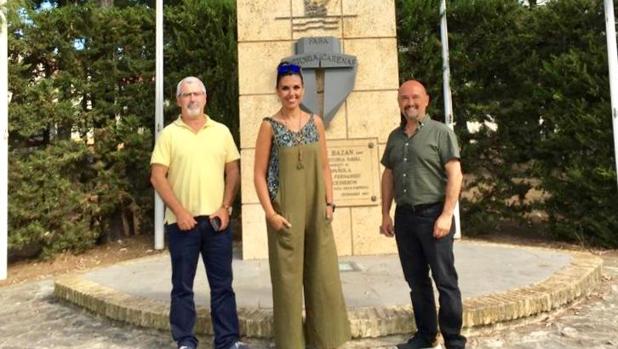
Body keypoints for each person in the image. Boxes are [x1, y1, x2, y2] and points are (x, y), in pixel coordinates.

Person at [253, 62, 351, 349]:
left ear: (303, 89)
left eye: (296, 87)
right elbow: (258, 174)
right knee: (287, 284)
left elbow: (324, 167)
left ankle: (325, 340)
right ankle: (291, 343)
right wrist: (270, 214)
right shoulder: (268, 126)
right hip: (284, 214)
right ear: (277, 91)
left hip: (316, 211)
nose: (291, 93)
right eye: (285, 88)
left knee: (323, 279)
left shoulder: (315, 123)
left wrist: (330, 205)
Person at [150, 76, 250, 349]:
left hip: (217, 222)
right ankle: (185, 341)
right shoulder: (169, 134)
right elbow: (158, 177)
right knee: (182, 287)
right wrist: (180, 212)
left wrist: (226, 207)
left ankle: (228, 341)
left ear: (205, 98)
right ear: (179, 100)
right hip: (182, 224)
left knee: (222, 287)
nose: (192, 99)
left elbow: (233, 170)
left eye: (197, 94)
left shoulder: (221, 131)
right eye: (186, 94)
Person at [380, 80, 466, 349]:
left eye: (415, 97)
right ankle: (425, 335)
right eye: (404, 98)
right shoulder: (395, 137)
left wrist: (447, 214)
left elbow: (455, 174)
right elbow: (389, 175)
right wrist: (385, 213)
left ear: (426, 100)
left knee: (445, 280)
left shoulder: (441, 133)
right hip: (405, 218)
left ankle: (453, 339)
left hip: (434, 216)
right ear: (399, 102)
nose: (410, 103)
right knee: (416, 281)